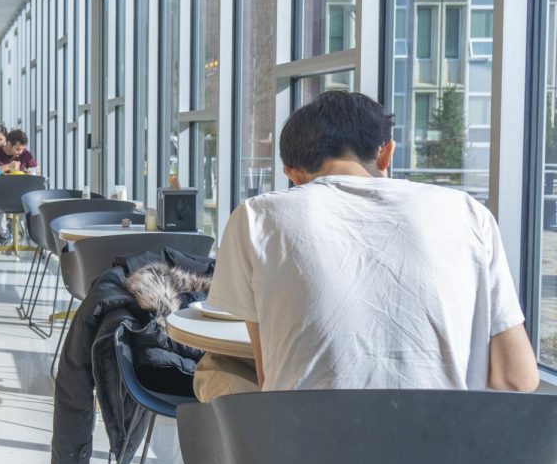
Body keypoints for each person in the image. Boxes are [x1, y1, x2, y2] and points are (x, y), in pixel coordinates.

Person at [207, 90, 539, 395]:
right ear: (386, 154)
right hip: (444, 451)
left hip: (307, 452)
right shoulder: (468, 212)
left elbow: (272, 376)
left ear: (292, 173)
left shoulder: (257, 216)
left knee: (214, 366)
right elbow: (517, 379)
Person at [0, 129, 39, 246]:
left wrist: (31, 172)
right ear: (8, 144)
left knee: (31, 204)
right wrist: (7, 167)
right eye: (17, 149)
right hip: (0, 195)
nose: (20, 152)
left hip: (21, 195)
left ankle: (27, 233)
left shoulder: (25, 155)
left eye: (22, 148)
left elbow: (36, 170)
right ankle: (5, 234)